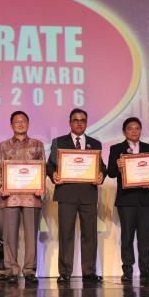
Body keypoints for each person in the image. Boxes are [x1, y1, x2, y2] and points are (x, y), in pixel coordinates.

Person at [46, 108, 106, 283]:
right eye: (75, 120)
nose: (79, 123)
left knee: (90, 234)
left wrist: (101, 174)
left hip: (88, 194)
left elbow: (102, 166)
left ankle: (89, 271)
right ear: (70, 123)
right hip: (67, 194)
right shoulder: (59, 142)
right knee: (66, 234)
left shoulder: (95, 143)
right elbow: (50, 165)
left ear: (86, 123)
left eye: (82, 120)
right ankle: (65, 271)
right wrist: (53, 174)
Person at [107, 117, 149, 283]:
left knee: (145, 237)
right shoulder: (116, 149)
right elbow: (111, 173)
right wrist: (118, 166)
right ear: (124, 132)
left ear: (141, 130)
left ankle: (145, 270)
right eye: (130, 128)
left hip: (145, 200)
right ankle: (128, 270)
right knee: (127, 237)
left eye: (137, 128)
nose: (134, 131)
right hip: (126, 200)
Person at [0, 111, 45, 284]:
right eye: (17, 121)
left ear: (28, 124)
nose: (20, 124)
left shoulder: (38, 144)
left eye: (23, 121)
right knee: (10, 236)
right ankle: (11, 269)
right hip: (10, 197)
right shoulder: (3, 146)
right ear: (11, 125)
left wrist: (40, 186)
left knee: (31, 235)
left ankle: (30, 270)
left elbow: (42, 169)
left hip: (32, 196)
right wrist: (2, 186)